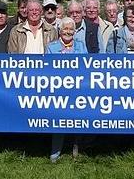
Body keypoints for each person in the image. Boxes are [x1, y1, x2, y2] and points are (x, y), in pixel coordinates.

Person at [46, 17, 88, 162]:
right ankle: (55, 151)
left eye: (71, 29)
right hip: (59, 90)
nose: (68, 32)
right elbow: (49, 69)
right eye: (65, 29)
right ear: (60, 30)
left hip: (77, 89)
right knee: (59, 121)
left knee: (77, 121)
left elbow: (86, 66)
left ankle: (75, 149)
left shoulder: (81, 46)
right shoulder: (52, 47)